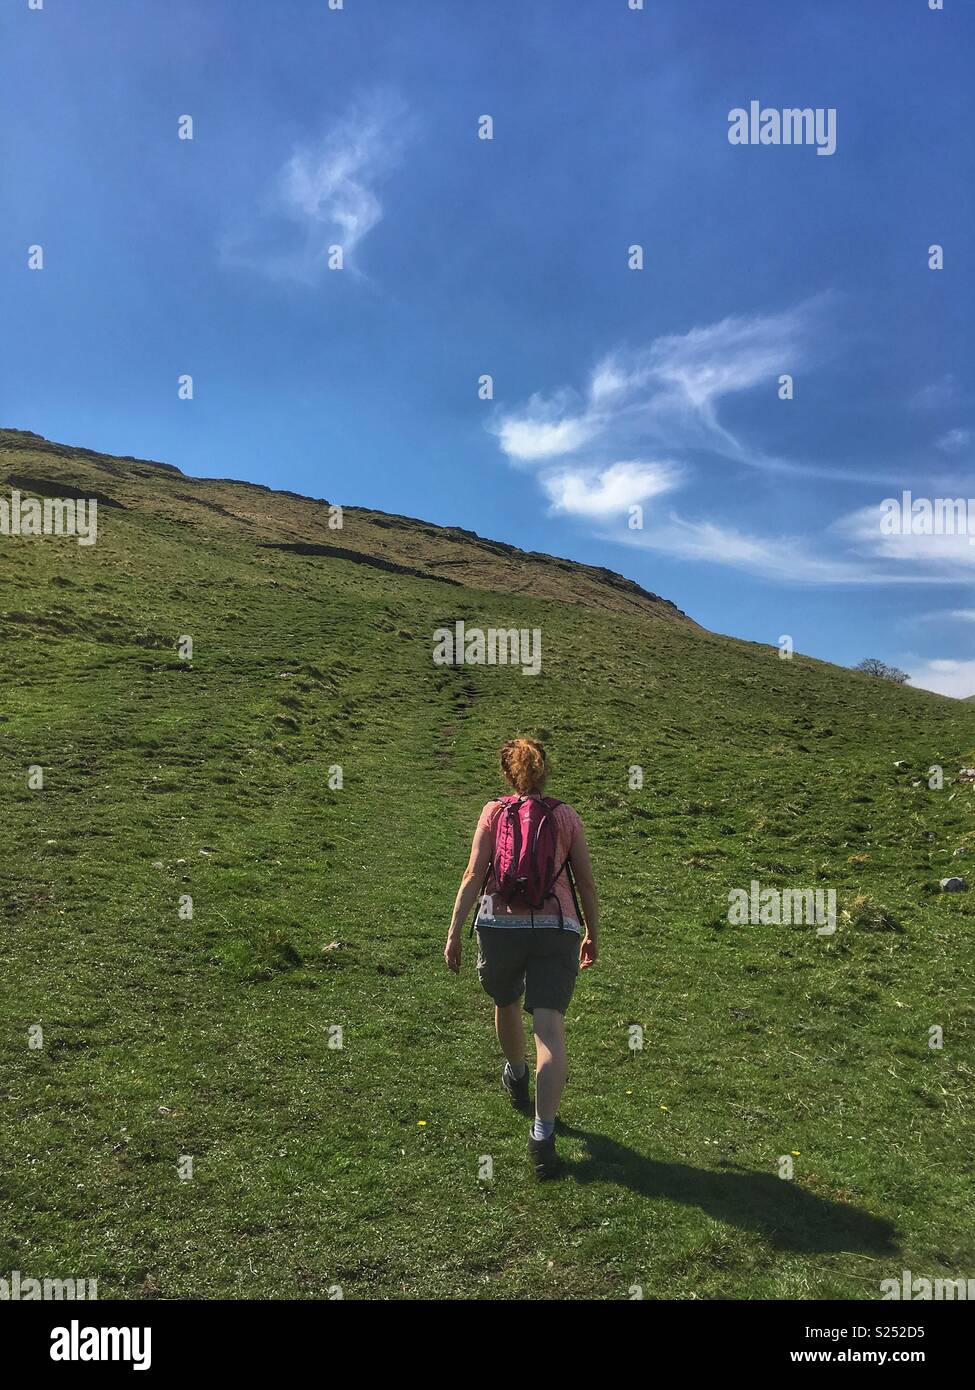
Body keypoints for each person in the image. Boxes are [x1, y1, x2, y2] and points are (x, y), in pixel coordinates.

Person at [444, 736, 599, 1178]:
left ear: (508, 774)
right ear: (545, 771)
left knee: (505, 1001)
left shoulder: (494, 812)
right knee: (549, 1029)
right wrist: (592, 932)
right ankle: (542, 1135)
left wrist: (454, 931)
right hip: (558, 927)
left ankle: (515, 1072)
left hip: (498, 923)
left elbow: (475, 873)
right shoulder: (567, 816)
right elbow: (585, 883)